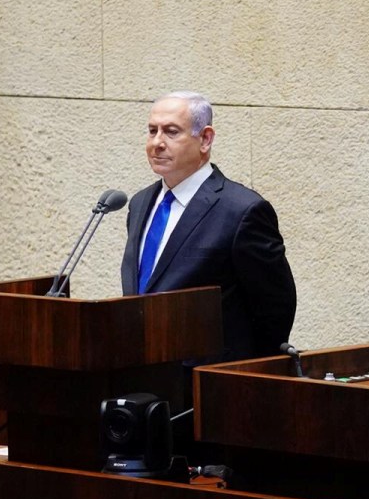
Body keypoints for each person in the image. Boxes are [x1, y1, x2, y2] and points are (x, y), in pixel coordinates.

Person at [121, 91, 297, 361]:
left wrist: (238, 377)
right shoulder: (140, 203)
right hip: (143, 371)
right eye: (152, 131)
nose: (157, 143)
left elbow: (275, 309)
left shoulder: (241, 210)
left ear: (205, 139)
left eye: (171, 132)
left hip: (210, 382)